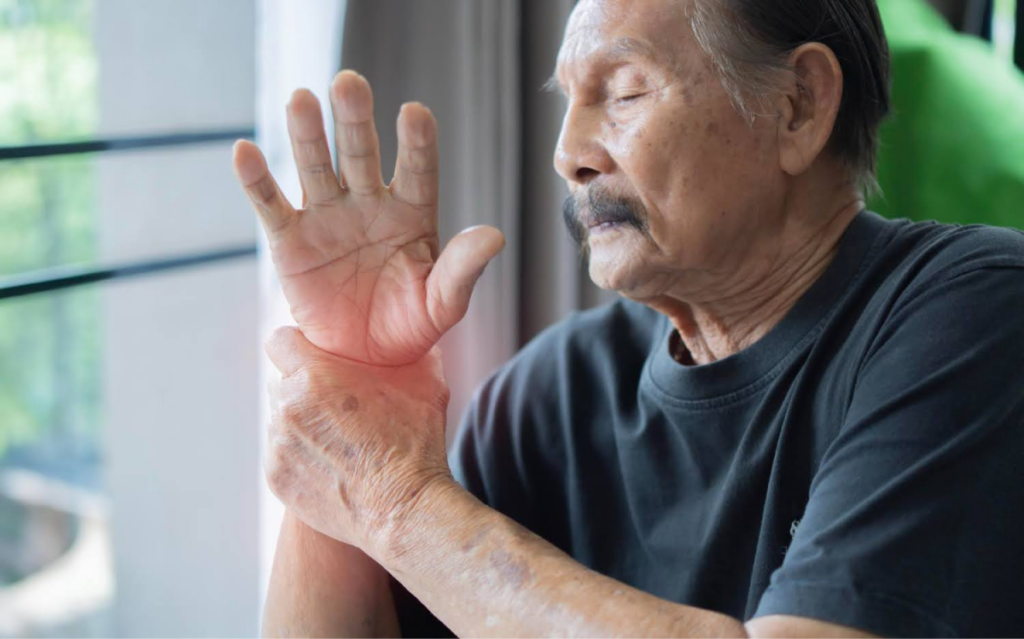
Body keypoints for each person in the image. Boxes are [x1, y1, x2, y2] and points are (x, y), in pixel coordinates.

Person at [231, 0, 1024, 636]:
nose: (569, 151)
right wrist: (349, 388)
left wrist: (396, 499)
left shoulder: (977, 312)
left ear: (798, 106)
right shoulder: (552, 390)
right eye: (568, 102)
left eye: (625, 89)